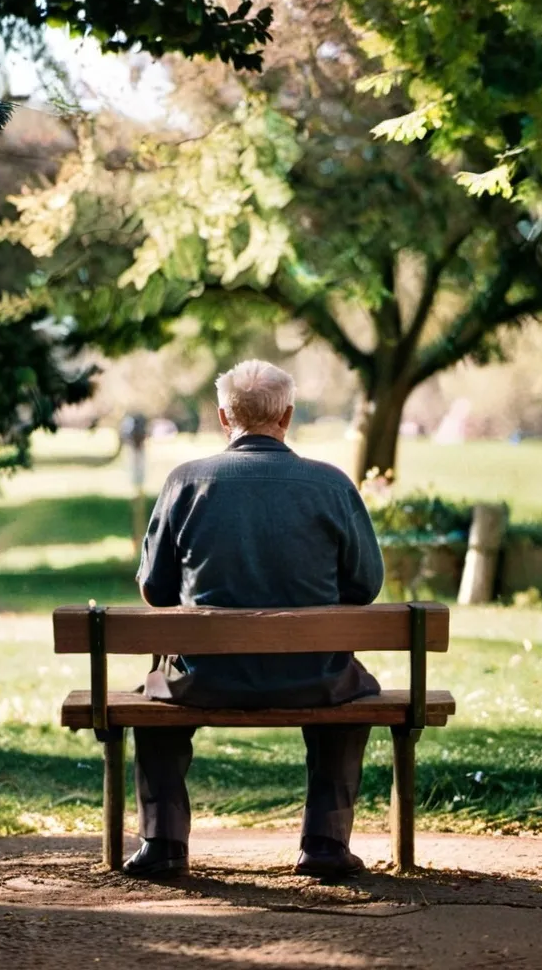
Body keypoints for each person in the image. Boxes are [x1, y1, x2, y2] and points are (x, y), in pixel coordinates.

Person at [126, 359, 385, 879]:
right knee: (354, 693)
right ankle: (325, 843)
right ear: (286, 417)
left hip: (205, 679)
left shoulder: (186, 482)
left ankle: (163, 842)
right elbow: (366, 586)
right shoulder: (331, 485)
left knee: (152, 697)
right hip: (315, 678)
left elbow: (155, 590)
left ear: (225, 418)